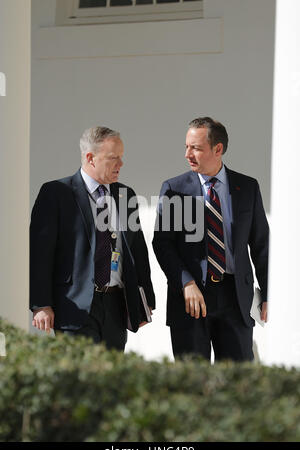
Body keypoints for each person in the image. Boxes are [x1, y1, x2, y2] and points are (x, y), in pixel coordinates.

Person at [152, 117, 268, 362]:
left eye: (195, 148)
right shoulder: (174, 189)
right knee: (193, 384)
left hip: (236, 299)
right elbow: (162, 243)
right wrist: (186, 283)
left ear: (218, 149)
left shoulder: (247, 187)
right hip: (191, 300)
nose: (187, 154)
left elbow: (261, 245)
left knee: (238, 383)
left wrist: (267, 293)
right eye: (186, 146)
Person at [30, 126, 155, 351]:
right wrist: (41, 304)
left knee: (110, 380)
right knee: (79, 379)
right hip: (74, 305)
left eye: (121, 157)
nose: (121, 164)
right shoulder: (57, 193)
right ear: (90, 158)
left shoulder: (126, 194)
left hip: (116, 304)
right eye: (113, 158)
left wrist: (145, 300)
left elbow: (137, 251)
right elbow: (41, 255)